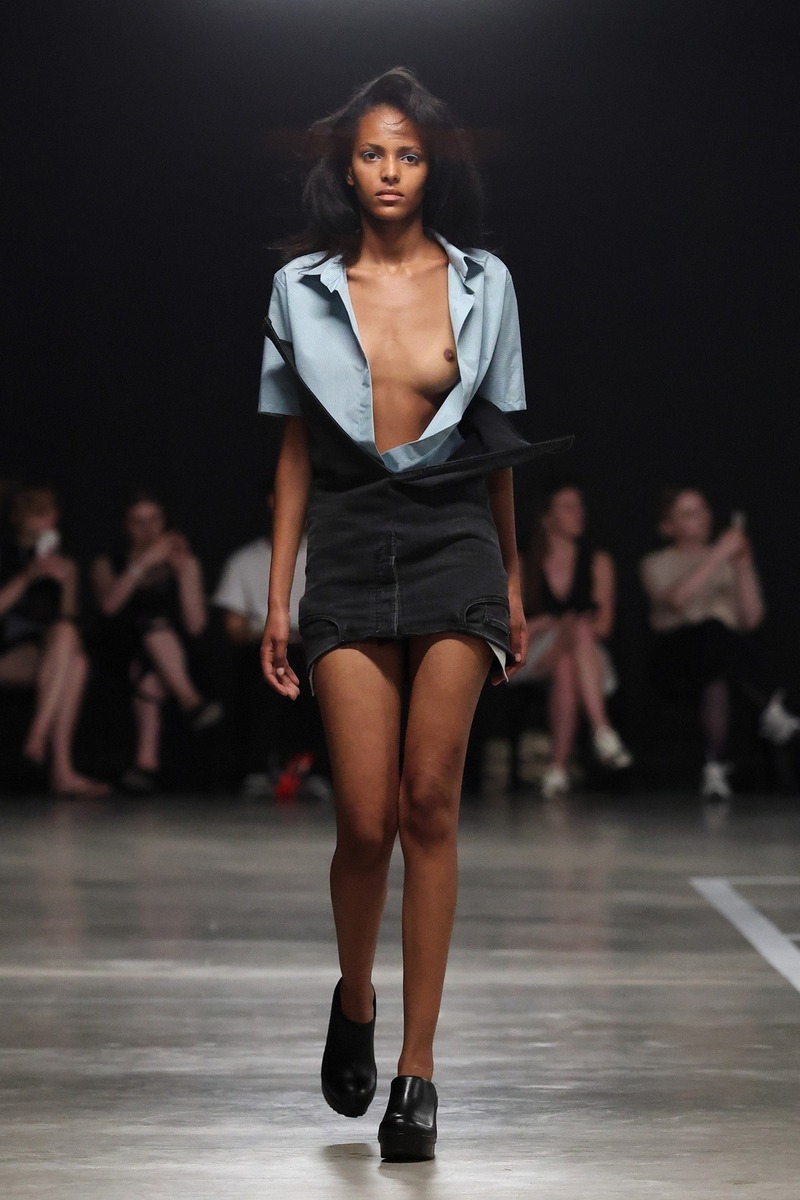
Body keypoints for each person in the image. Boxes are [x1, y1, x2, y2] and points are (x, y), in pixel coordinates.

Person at [257, 67, 570, 1161]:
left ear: (432, 168)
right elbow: (294, 451)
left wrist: (512, 581)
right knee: (364, 819)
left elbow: (496, 444)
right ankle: (355, 996)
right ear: (345, 169)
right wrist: (277, 599)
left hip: (453, 542)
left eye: (409, 154)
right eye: (371, 154)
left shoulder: (485, 283)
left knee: (429, 802)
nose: (389, 171)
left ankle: (418, 1071)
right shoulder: (298, 289)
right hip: (347, 543)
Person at [640, 487, 799, 801]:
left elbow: (751, 619)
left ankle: (715, 768)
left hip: (723, 657)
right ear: (668, 526)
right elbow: (677, 601)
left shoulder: (728, 561)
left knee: (718, 668)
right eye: (689, 513)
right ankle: (768, 706)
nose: (701, 518)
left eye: (703, 510)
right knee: (712, 630)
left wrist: (741, 564)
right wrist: (718, 555)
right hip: (677, 654)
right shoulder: (656, 562)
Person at [91, 491, 222, 793]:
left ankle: (145, 765)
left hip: (176, 655)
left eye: (154, 520)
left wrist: (185, 572)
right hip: (122, 649)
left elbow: (196, 625)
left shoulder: (183, 562)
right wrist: (142, 564)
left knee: (152, 669)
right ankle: (192, 702)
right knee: (151, 641)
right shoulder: (107, 563)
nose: (148, 529)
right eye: (138, 522)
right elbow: (109, 607)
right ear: (126, 526)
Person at [514, 481, 632, 799]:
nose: (578, 513)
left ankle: (557, 769)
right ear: (546, 517)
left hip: (585, 657)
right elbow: (513, 630)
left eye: (580, 506)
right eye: (567, 507)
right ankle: (602, 731)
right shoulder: (525, 563)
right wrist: (550, 626)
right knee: (575, 629)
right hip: (534, 653)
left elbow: (603, 626)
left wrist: (567, 631)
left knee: (569, 658)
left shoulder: (597, 561)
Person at [213, 495, 327, 798]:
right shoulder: (245, 560)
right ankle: (261, 767)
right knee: (266, 669)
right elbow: (234, 627)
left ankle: (318, 769)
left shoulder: (325, 556)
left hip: (314, 648)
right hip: (265, 650)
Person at [0, 486, 109, 796]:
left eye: (51, 513)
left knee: (75, 655)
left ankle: (41, 738)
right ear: (18, 517)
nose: (48, 520)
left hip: (46, 648)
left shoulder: (61, 557)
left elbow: (68, 618)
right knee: (74, 660)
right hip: (8, 647)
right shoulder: (6, 556)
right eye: (39, 513)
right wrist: (27, 577)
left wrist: (68, 581)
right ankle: (58, 766)